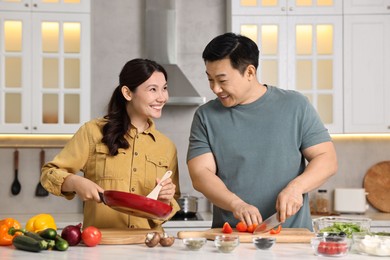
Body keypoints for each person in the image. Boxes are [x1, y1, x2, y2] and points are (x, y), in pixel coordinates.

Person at [187, 33, 338, 230]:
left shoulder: (295, 105)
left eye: (222, 80)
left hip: (291, 238)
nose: (215, 88)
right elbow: (200, 174)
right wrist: (236, 204)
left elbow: (327, 159)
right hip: (232, 239)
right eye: (210, 79)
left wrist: (296, 188)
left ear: (250, 72)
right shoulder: (205, 116)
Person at [41, 58, 181, 230]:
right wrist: (75, 182)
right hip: (101, 245)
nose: (162, 97)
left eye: (164, 88)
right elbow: (49, 174)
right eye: (153, 89)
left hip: (148, 246)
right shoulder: (92, 132)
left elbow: (170, 206)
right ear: (128, 93)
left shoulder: (166, 146)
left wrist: (165, 201)